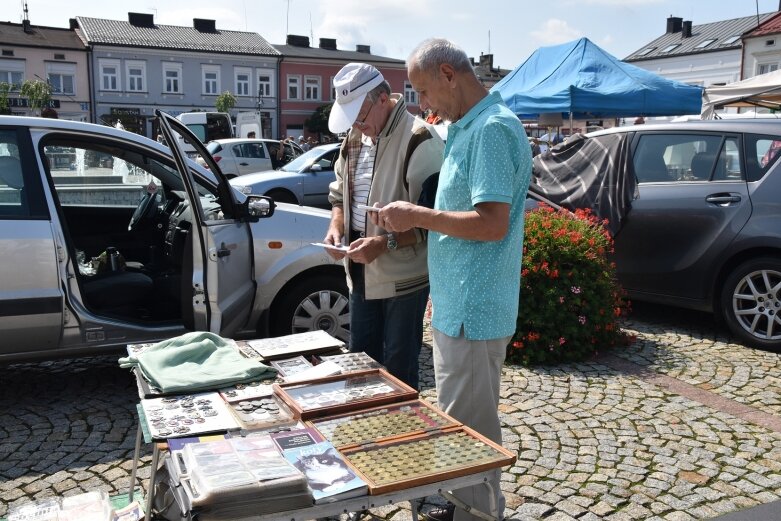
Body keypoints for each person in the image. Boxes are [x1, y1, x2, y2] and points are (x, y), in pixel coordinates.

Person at [377, 38, 532, 521]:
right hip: (460, 305)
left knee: (471, 432)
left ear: (448, 74)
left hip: (473, 308)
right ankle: (470, 508)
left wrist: (417, 215)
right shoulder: (469, 127)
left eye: (423, 91)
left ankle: (478, 514)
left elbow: (491, 223)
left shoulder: (490, 130)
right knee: (463, 425)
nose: (422, 105)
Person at [323, 62, 444, 390]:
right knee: (360, 370)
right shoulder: (354, 137)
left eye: (360, 118)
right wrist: (337, 228)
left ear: (381, 99)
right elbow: (338, 195)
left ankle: (403, 439)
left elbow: (433, 220)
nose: (358, 127)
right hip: (361, 272)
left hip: (404, 281)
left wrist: (384, 243)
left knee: (399, 374)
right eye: (352, 121)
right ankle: (360, 434)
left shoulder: (420, 138)